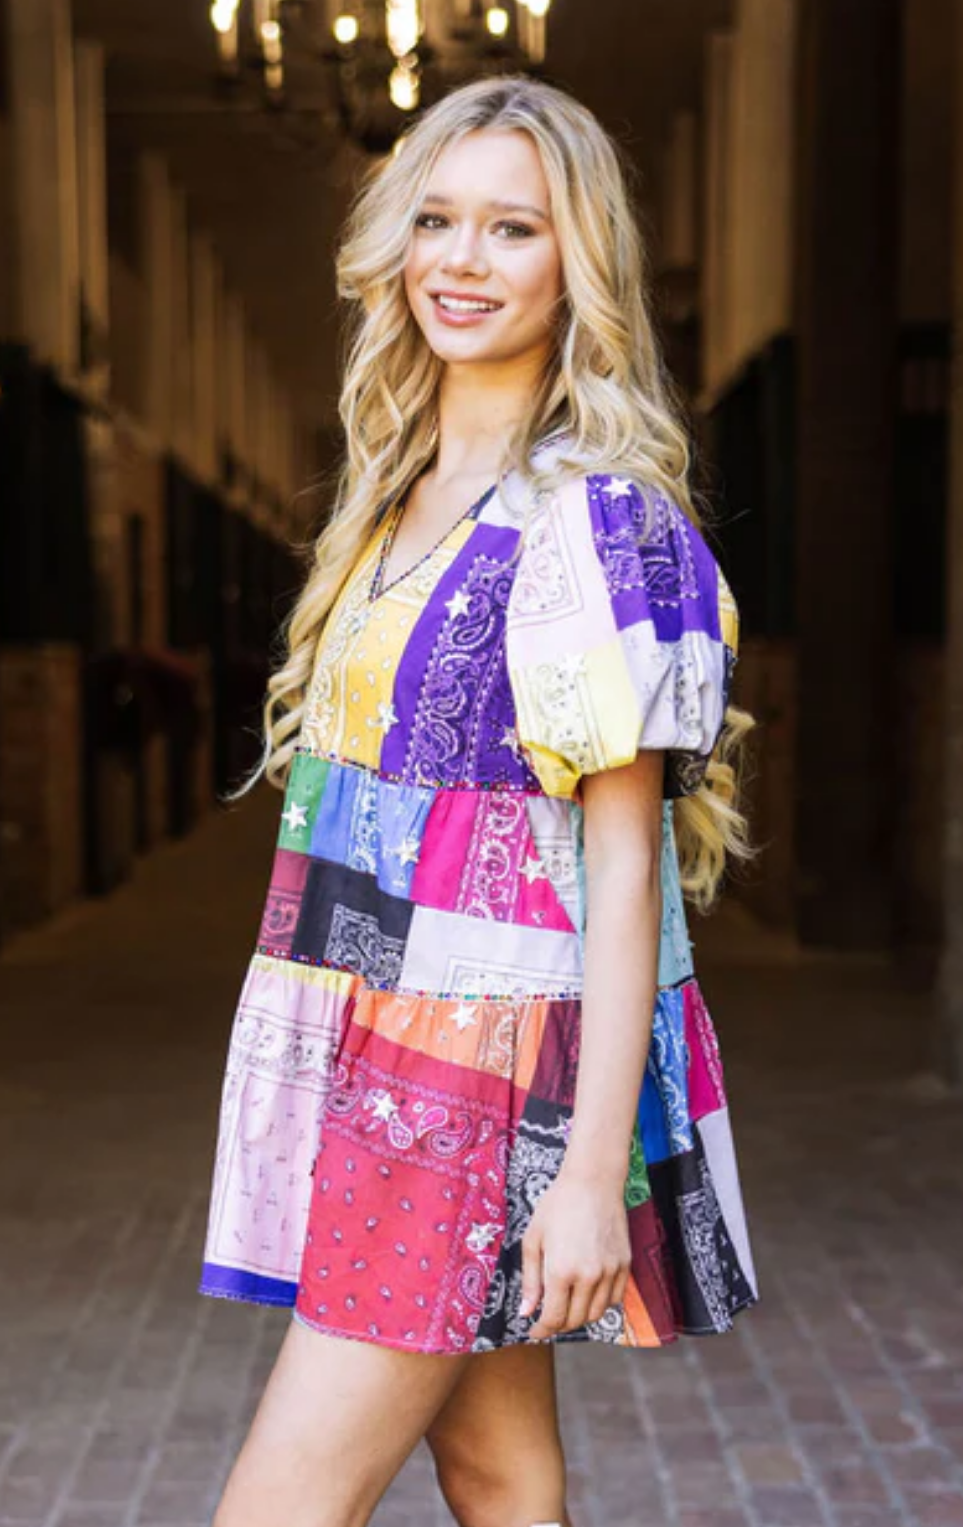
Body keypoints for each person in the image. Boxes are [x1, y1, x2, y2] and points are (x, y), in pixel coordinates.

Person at [201, 73, 758, 1527]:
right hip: (374, 1052)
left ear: (580, 264)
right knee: (500, 1476)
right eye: (437, 220)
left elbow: (623, 865)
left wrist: (584, 1178)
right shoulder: (391, 503)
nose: (461, 259)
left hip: (477, 1085)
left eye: (513, 229)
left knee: (273, 1509)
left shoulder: (592, 516)